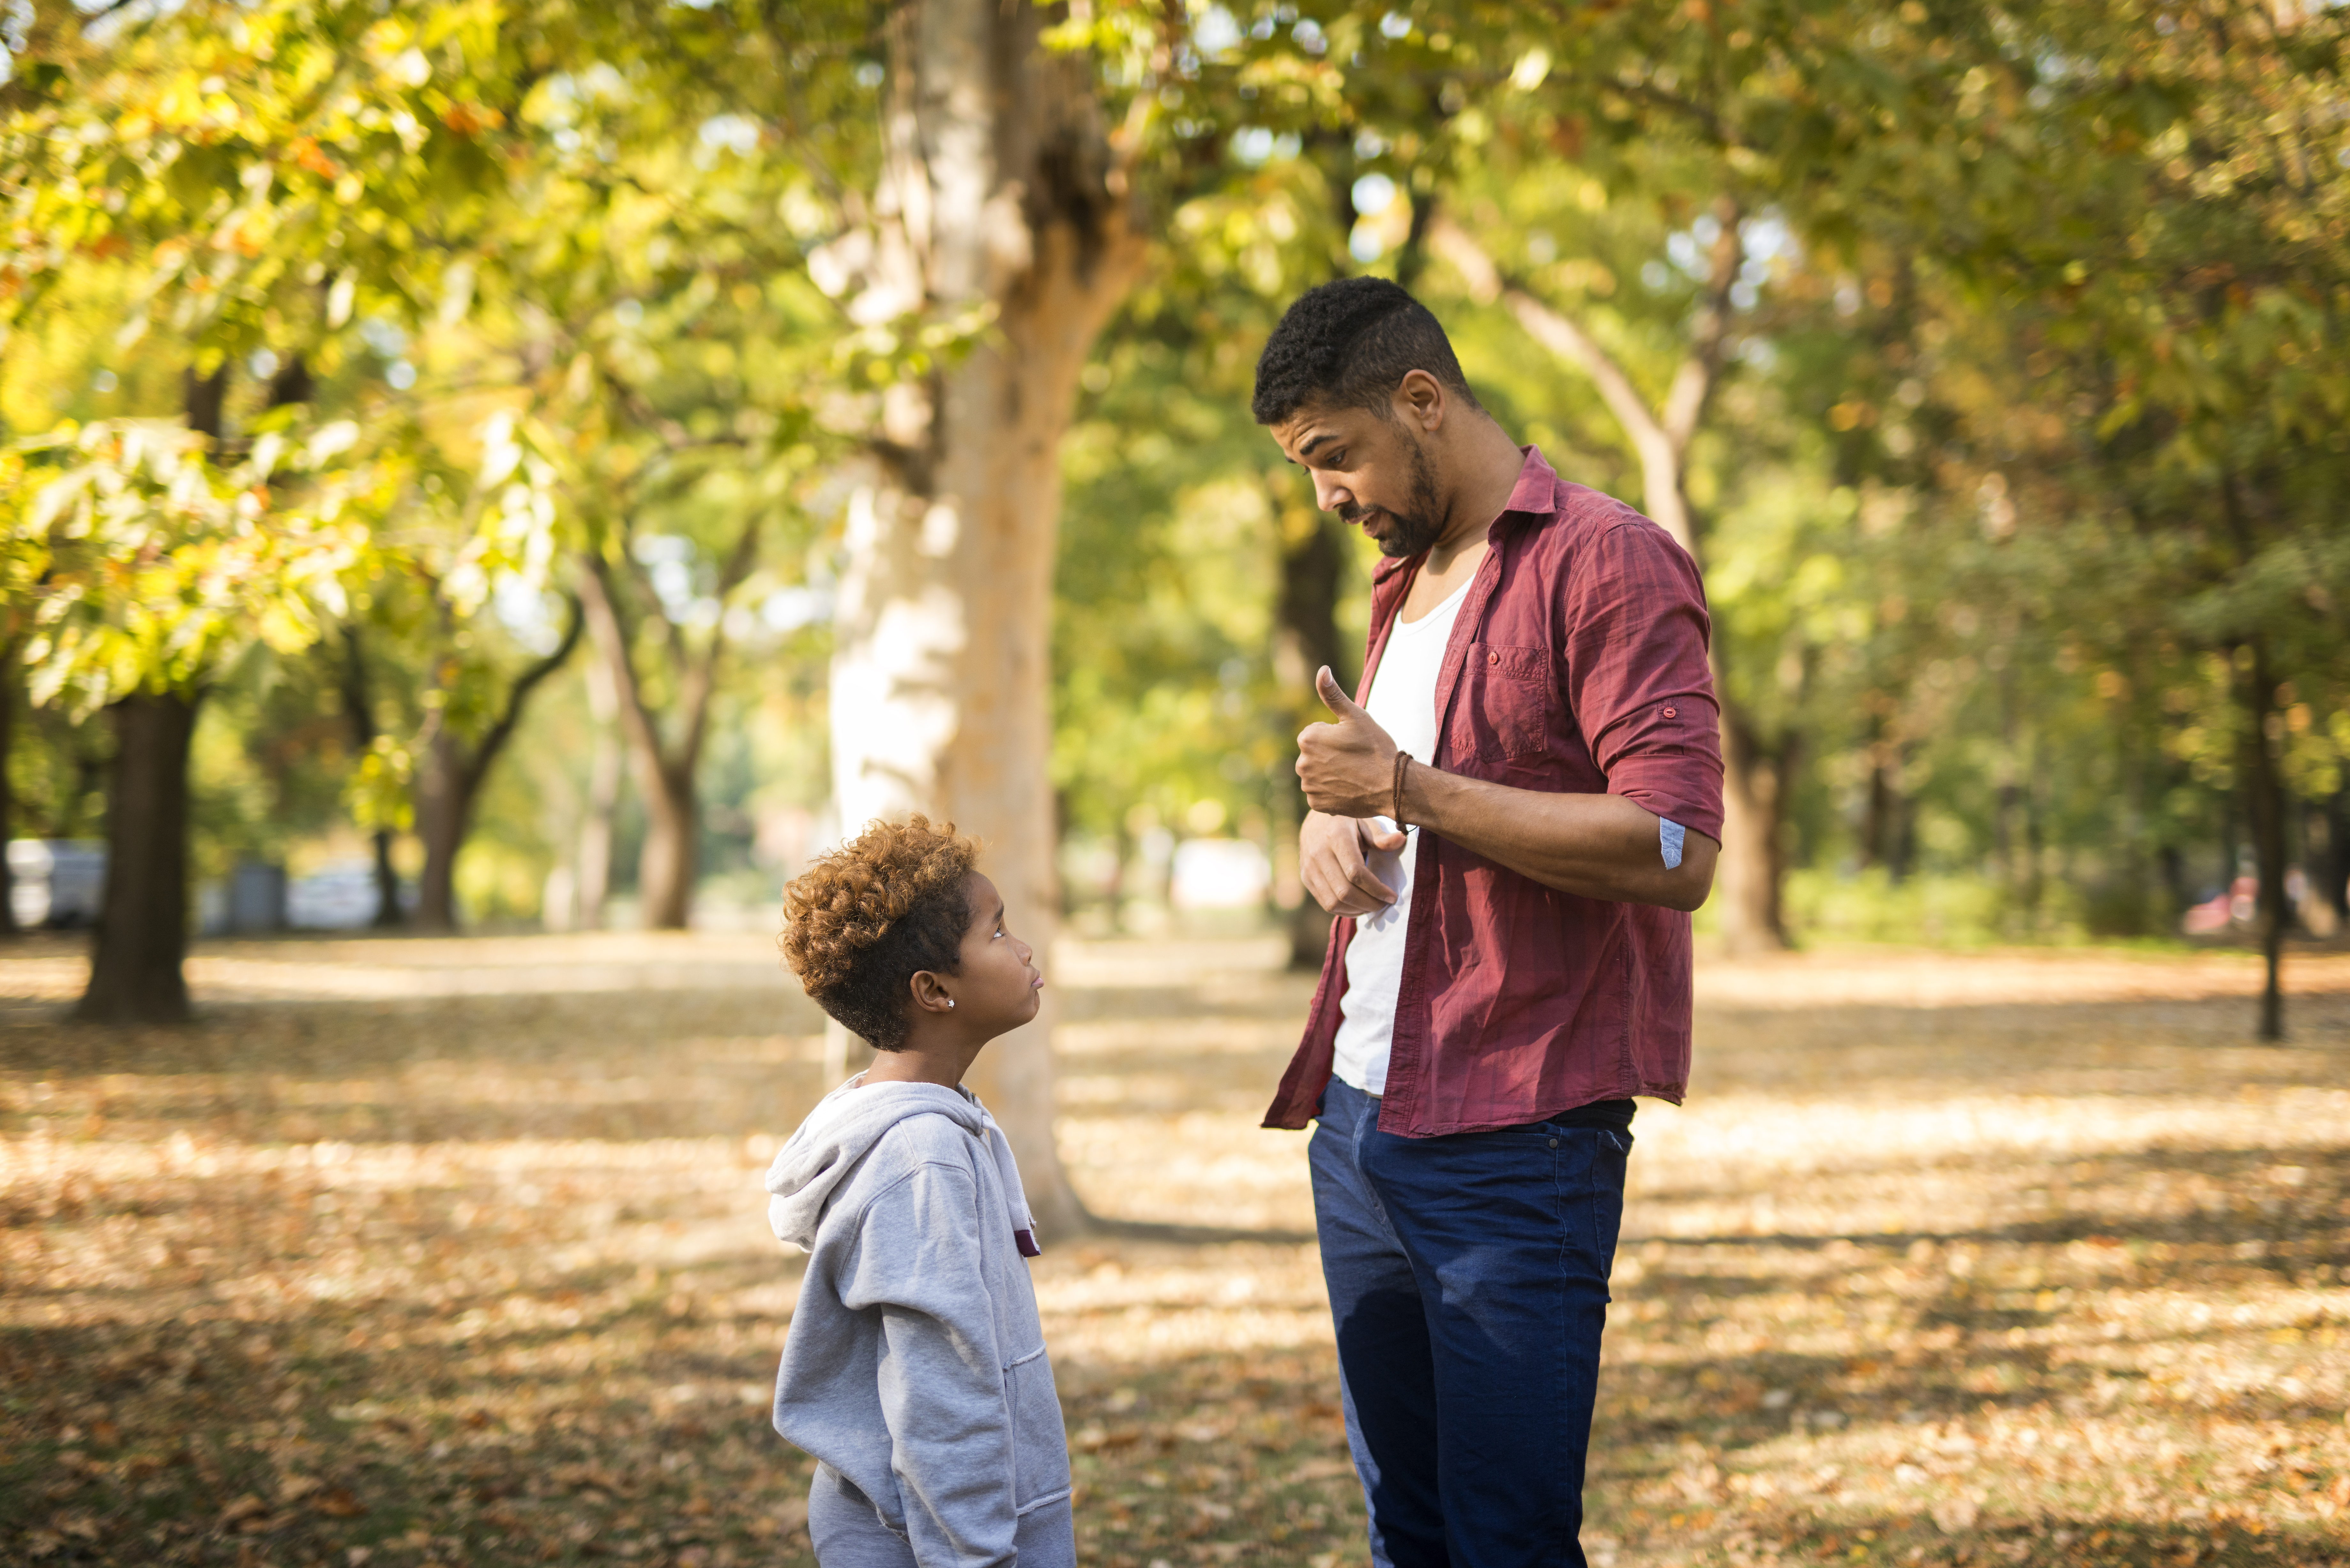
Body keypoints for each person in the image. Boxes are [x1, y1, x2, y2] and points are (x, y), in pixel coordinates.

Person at [1254, 276, 1725, 1568]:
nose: (1329, 497)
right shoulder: (1400, 587)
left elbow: (1675, 847)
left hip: (1518, 1137)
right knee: (1406, 1529)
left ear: (1421, 401)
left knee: (1507, 1539)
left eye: (1332, 456)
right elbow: (1409, 814)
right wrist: (1332, 832)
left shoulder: (1607, 560)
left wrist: (1404, 787)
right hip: (1355, 1124)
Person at [763, 815, 1073, 1568]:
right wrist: (977, 1556)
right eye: (997, 933)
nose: (1023, 946)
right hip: (936, 1544)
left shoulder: (929, 1122)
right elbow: (942, 1394)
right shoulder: (919, 1156)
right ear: (933, 989)